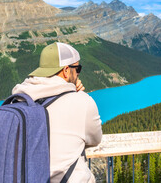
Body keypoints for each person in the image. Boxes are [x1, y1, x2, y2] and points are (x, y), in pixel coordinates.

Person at [12, 42, 102, 182]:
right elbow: (95, 139)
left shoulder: (18, 98)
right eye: (77, 68)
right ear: (66, 70)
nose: (78, 74)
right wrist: (77, 93)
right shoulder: (83, 102)